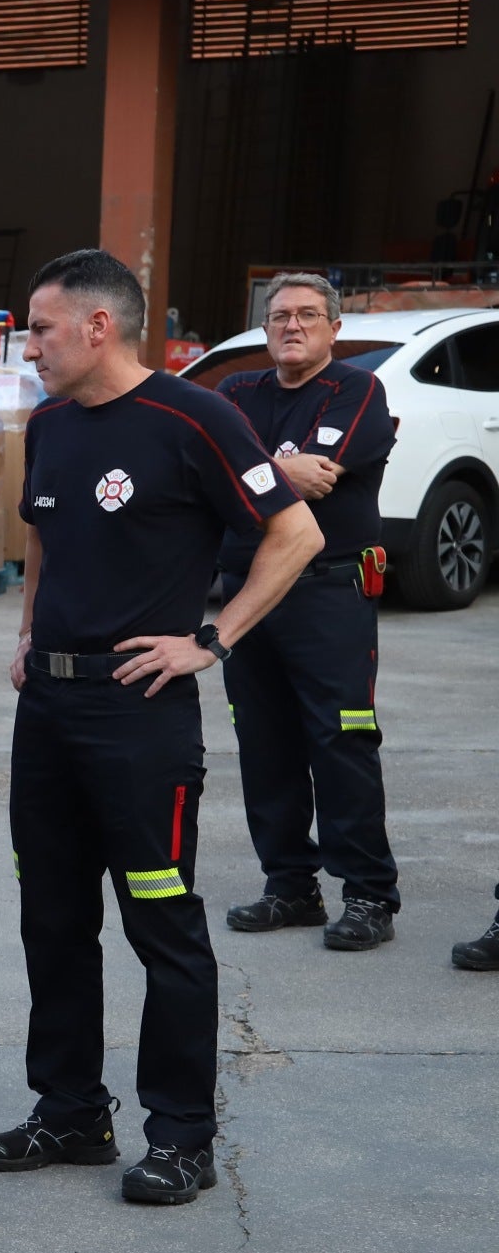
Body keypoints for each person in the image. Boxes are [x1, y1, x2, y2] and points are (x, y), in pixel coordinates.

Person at [0, 248, 322, 1206]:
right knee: (52, 918)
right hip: (48, 709)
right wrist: (31, 630)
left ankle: (182, 1136)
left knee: (161, 924)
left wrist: (211, 640)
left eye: (40, 327)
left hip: (140, 717)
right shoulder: (47, 424)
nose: (28, 344)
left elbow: (296, 533)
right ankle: (70, 1111)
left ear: (98, 327)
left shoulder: (194, 417)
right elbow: (43, 535)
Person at [212, 272, 401, 952]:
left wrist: (253, 469)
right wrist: (280, 468)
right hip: (247, 593)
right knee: (264, 742)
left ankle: (369, 894)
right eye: (281, 315)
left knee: (341, 741)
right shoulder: (235, 391)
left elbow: (323, 471)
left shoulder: (357, 390)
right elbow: (217, 469)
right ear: (265, 327)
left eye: (308, 316)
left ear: (333, 329)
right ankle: (290, 886)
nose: (292, 326)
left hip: (328, 592)